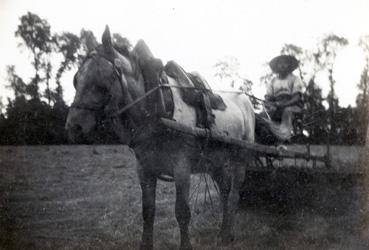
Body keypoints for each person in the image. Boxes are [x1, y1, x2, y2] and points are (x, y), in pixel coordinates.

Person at [264, 55, 304, 123]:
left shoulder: (294, 79)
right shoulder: (272, 81)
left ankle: (286, 132)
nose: (282, 65)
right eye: (280, 63)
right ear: (277, 65)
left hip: (292, 107)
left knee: (286, 112)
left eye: (285, 63)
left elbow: (297, 97)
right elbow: (268, 98)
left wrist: (283, 104)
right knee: (262, 117)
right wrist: (271, 105)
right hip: (276, 107)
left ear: (289, 65)